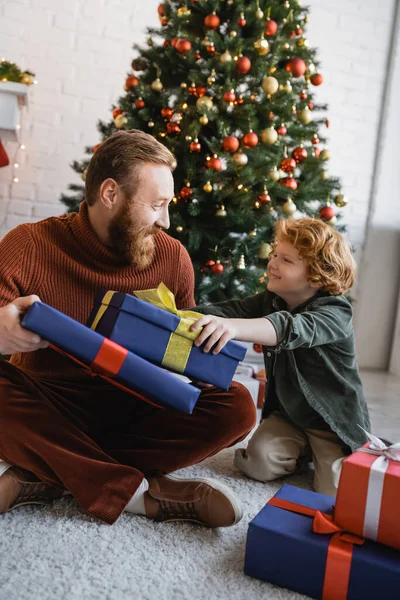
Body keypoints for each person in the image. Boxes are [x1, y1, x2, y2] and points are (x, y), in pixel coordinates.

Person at [0, 130, 256, 526]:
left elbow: (182, 364)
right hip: (49, 401)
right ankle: (140, 495)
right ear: (110, 194)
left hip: (135, 407)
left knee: (237, 407)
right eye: (157, 205)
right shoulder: (30, 244)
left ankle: (47, 471)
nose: (166, 221)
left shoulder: (173, 258)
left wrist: (201, 357)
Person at [191, 217, 370, 497]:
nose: (272, 263)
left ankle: (335, 453)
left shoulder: (336, 312)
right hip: (289, 416)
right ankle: (300, 452)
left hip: (331, 424)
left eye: (286, 260)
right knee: (257, 463)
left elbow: (289, 328)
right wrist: (177, 316)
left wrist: (234, 328)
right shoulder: (270, 300)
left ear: (317, 275)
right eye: (274, 254)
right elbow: (228, 310)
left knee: (338, 492)